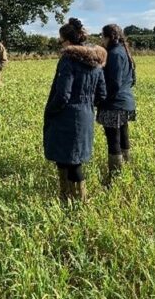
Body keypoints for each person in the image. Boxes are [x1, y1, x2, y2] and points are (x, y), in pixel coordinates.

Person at [43, 18, 107, 202]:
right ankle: (73, 200)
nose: (60, 44)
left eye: (61, 40)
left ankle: (75, 200)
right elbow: (102, 94)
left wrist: (52, 110)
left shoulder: (68, 60)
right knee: (72, 159)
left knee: (69, 161)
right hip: (85, 114)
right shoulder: (97, 60)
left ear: (68, 41)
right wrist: (85, 105)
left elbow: (63, 94)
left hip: (66, 116)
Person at [97, 24, 137, 182]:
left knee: (113, 140)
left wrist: (101, 99)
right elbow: (132, 80)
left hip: (114, 104)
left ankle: (115, 176)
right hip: (126, 102)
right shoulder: (124, 51)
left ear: (108, 37)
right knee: (123, 137)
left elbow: (113, 83)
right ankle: (127, 169)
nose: (101, 39)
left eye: (102, 36)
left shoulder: (113, 54)